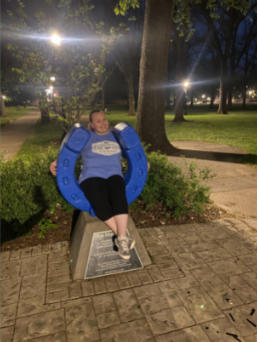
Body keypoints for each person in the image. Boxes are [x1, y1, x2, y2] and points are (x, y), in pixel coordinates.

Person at [50, 110, 150, 260]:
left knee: (119, 194)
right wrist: (56, 163)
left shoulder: (116, 137)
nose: (102, 123)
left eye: (104, 119)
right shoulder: (86, 138)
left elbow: (131, 153)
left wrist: (141, 162)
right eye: (98, 121)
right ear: (91, 124)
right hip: (91, 176)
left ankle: (121, 238)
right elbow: (69, 154)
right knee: (98, 199)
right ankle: (123, 237)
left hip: (114, 174)